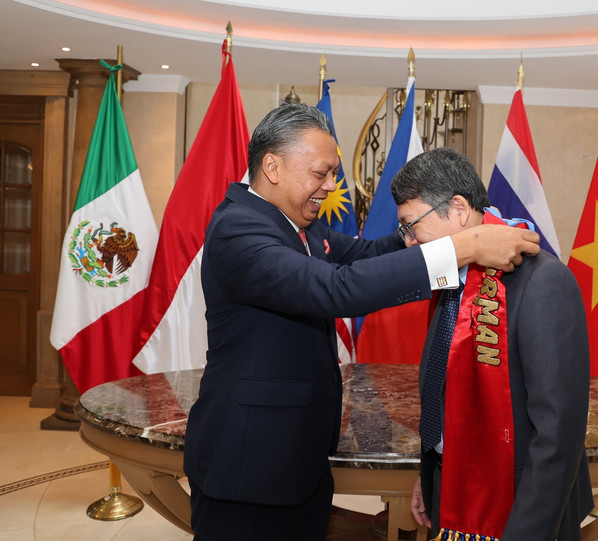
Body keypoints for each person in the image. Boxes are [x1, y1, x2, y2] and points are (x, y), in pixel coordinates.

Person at [183, 103, 541, 540]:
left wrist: (428, 227)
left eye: (333, 173)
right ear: (272, 167)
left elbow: (370, 256)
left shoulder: (301, 227)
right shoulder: (238, 229)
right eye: (321, 173)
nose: (331, 186)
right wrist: (465, 248)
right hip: (247, 468)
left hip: (299, 465)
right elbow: (338, 289)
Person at [392, 147, 593, 541]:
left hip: (521, 506)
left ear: (458, 209)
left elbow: (558, 434)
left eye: (411, 225)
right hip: (452, 490)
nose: (409, 242)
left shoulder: (542, 282)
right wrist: (433, 472)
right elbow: (443, 388)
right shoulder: (451, 281)